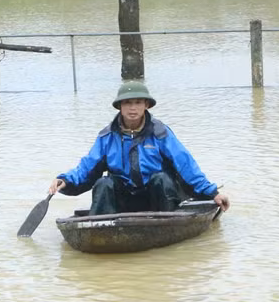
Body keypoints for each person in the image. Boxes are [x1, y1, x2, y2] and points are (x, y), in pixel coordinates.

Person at [48, 81, 230, 215]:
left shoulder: (160, 133)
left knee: (162, 179)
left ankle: (167, 224)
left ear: (146, 105)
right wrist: (66, 180)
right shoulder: (107, 136)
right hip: (124, 198)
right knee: (103, 183)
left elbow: (185, 165)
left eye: (137, 102)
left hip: (156, 197)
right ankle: (103, 225)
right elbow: (87, 167)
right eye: (127, 103)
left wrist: (212, 192)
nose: (132, 108)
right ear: (119, 106)